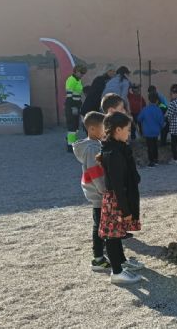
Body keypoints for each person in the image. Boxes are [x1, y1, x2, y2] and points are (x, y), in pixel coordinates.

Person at [96, 112, 145, 284]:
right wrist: (126, 210)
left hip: (119, 198)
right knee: (113, 236)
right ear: (117, 130)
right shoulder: (114, 153)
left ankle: (121, 264)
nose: (129, 133)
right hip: (116, 200)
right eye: (127, 129)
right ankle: (116, 272)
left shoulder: (118, 148)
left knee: (117, 233)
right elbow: (117, 184)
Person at [72, 111, 109, 271]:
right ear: (92, 129)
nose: (105, 131)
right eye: (103, 128)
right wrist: (103, 189)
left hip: (99, 192)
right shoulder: (92, 148)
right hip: (98, 193)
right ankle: (98, 258)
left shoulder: (94, 145)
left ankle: (103, 250)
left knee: (102, 223)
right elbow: (94, 172)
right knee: (99, 225)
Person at [65, 64, 88, 152]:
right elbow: (69, 96)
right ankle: (70, 147)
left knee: (76, 127)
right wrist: (72, 107)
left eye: (84, 73)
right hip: (71, 105)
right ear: (76, 71)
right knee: (72, 127)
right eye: (81, 73)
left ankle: (70, 141)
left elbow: (78, 94)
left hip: (77, 105)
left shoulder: (78, 80)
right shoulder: (71, 80)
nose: (82, 75)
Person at [138, 92, 164, 167]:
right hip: (156, 131)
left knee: (150, 146)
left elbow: (139, 119)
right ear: (157, 101)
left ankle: (151, 161)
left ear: (149, 100)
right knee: (155, 145)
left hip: (147, 131)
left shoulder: (145, 109)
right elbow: (161, 121)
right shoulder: (158, 110)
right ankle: (156, 160)